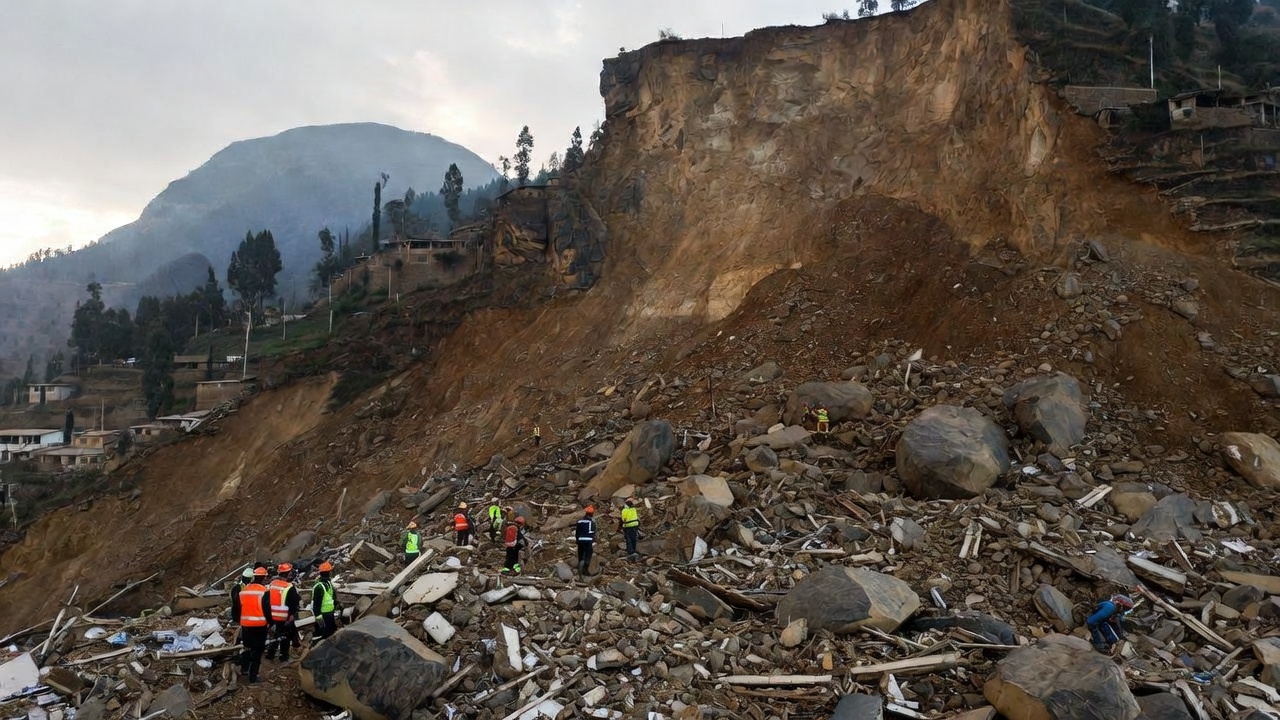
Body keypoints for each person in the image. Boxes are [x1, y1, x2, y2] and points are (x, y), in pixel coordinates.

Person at [233, 567, 272, 683]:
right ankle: (253, 677)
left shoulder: (243, 591)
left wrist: (238, 620)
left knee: (247, 647)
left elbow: (236, 608)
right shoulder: (264, 591)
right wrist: (271, 622)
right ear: (264, 578)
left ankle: (244, 669)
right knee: (257, 651)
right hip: (260, 626)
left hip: (246, 625)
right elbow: (267, 610)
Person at [265, 563, 301, 662]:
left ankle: (270, 654)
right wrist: (292, 614)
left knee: (275, 635)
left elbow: (266, 600)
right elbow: (294, 602)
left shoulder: (271, 585)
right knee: (285, 637)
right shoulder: (289, 587)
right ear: (288, 573)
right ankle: (283, 657)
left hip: (272, 616)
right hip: (284, 616)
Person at [311, 561, 341, 641]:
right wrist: (319, 619)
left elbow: (331, 597)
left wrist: (335, 605)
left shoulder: (328, 583)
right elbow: (316, 604)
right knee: (325, 637)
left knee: (332, 634)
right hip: (323, 615)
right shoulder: (319, 586)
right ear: (328, 572)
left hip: (329, 613)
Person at [576, 505, 597, 577]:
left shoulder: (580, 521)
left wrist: (577, 539)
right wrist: (594, 539)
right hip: (588, 540)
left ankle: (579, 567)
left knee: (580, 554)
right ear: (592, 514)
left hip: (580, 540)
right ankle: (585, 569)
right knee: (588, 554)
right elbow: (593, 532)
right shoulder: (592, 522)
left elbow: (577, 532)